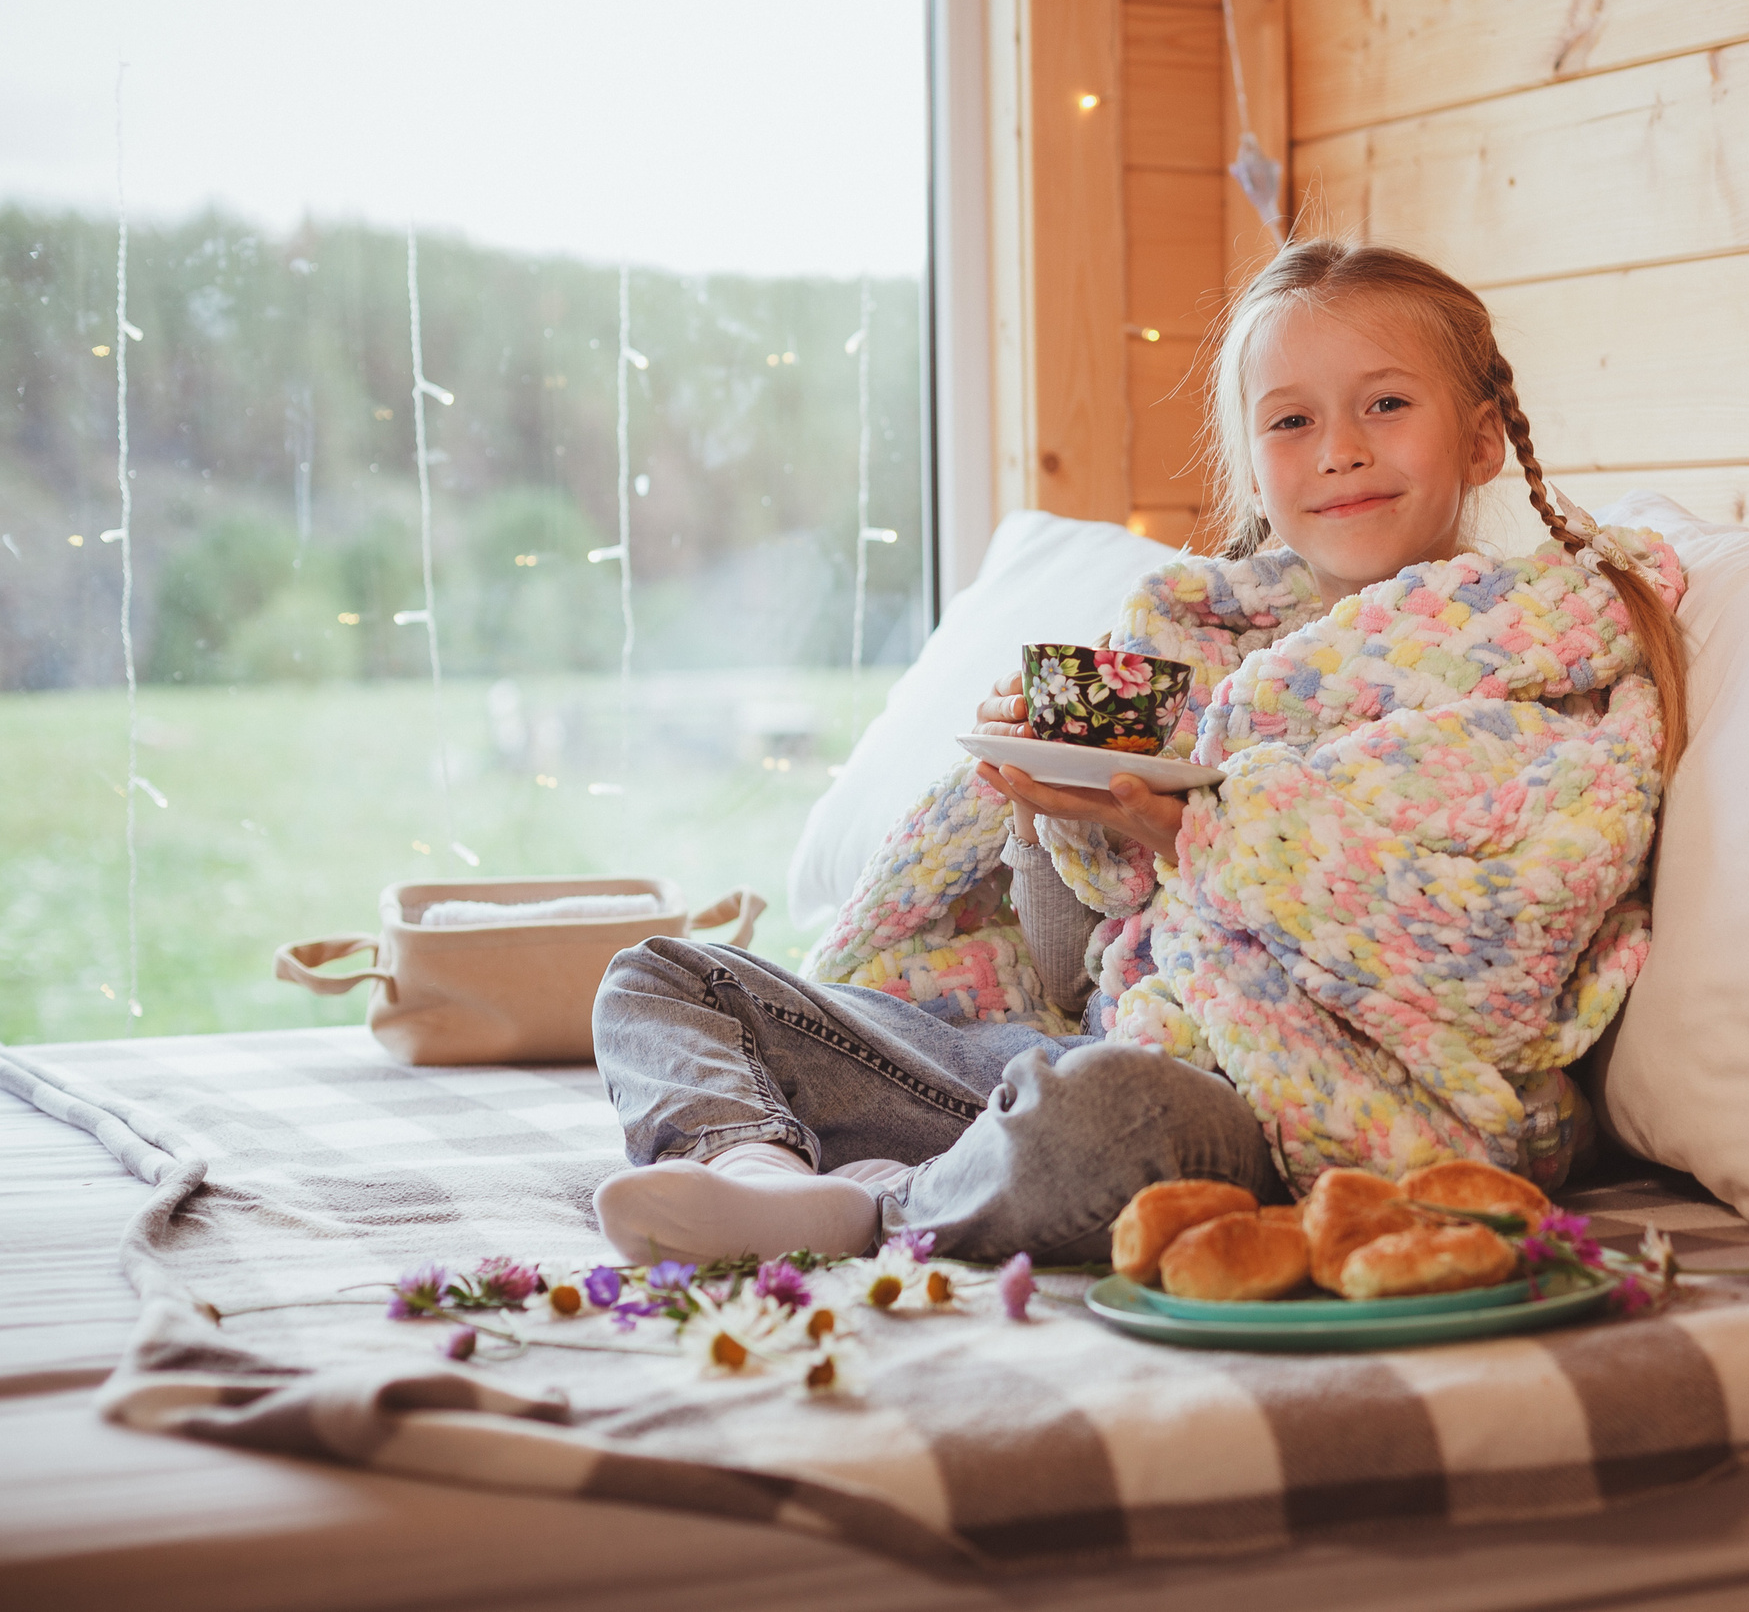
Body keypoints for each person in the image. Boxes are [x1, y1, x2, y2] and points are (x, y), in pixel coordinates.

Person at [589, 240, 1689, 1269]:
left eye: (1386, 406)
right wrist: (1044, 812)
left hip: (1281, 1102)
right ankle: (753, 1165)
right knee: (664, 976)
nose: (1340, 449)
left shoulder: (1548, 663)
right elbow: (1078, 982)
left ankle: (875, 1206)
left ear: (1483, 436)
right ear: (1254, 468)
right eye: (1291, 422)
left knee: (1102, 1113)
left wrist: (1198, 835)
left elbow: (1499, 959)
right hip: (1100, 1042)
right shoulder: (1190, 657)